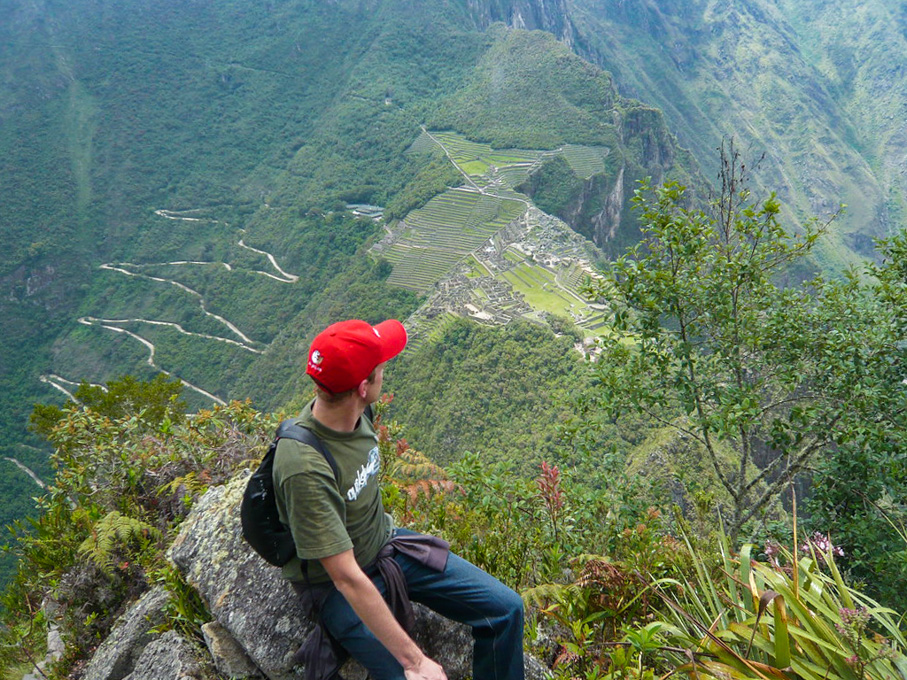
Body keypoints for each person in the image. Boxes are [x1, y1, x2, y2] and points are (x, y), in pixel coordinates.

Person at [273, 318, 525, 680]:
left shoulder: (358, 414)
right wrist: (415, 661)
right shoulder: (304, 466)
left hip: (387, 546)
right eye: (380, 369)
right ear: (363, 386)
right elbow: (344, 576)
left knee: (507, 609)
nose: (385, 372)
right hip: (338, 587)